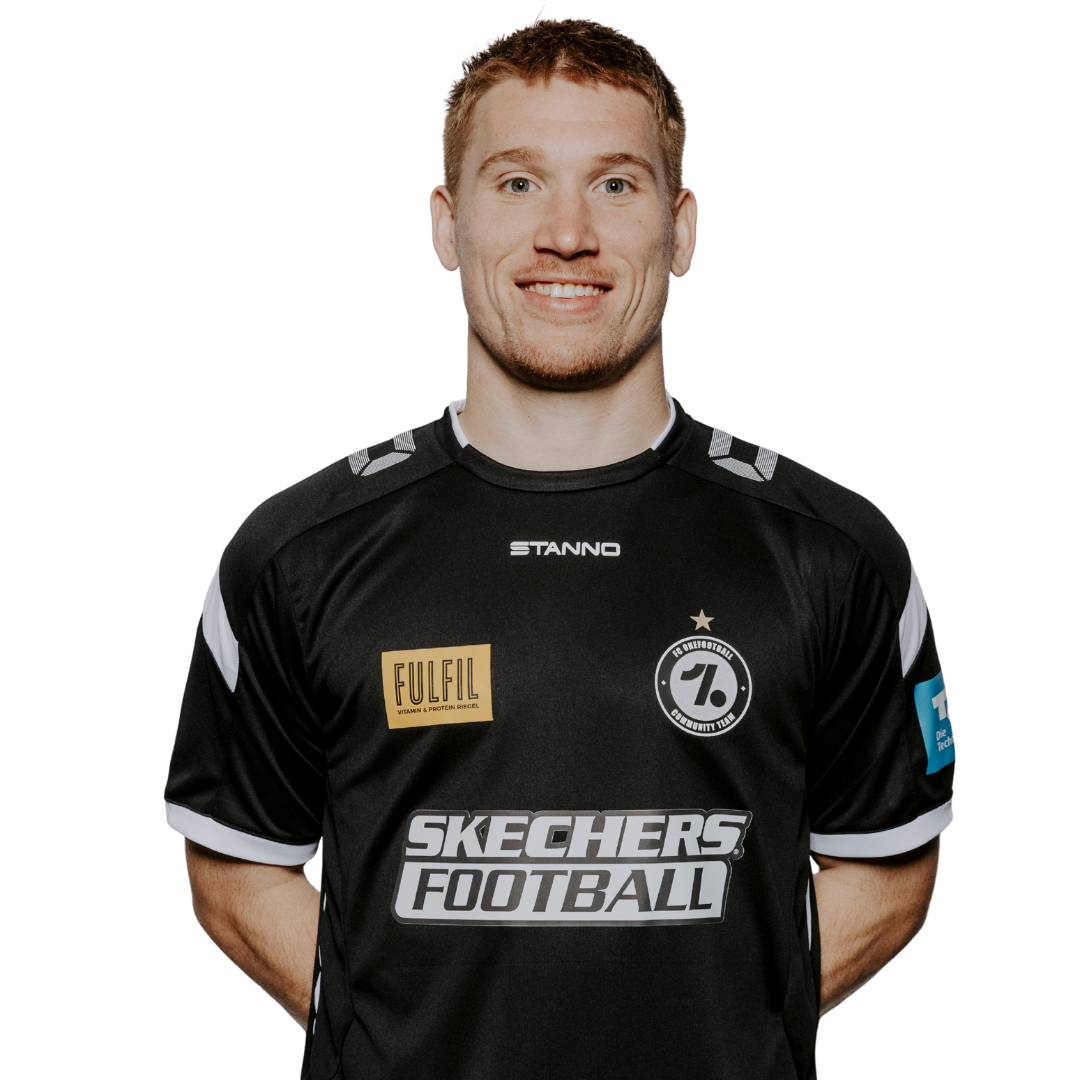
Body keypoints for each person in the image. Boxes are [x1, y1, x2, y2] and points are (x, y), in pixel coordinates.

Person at [165, 19, 954, 1080]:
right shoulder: (298, 555)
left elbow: (886, 870)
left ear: (681, 229)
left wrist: (712, 1038)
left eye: (617, 185)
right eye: (518, 183)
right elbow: (236, 868)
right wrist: (409, 1046)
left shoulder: (833, 554)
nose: (568, 234)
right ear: (448, 223)